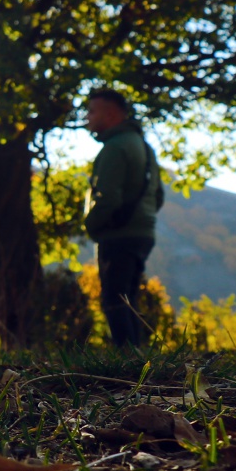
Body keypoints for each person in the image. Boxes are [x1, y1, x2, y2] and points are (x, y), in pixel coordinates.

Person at [83, 87, 164, 346]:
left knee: (114, 300)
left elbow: (108, 198)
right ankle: (138, 357)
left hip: (118, 235)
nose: (87, 117)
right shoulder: (144, 147)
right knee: (128, 299)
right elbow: (158, 195)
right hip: (143, 233)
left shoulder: (115, 147)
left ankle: (128, 360)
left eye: (91, 111)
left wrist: (91, 226)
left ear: (110, 114)